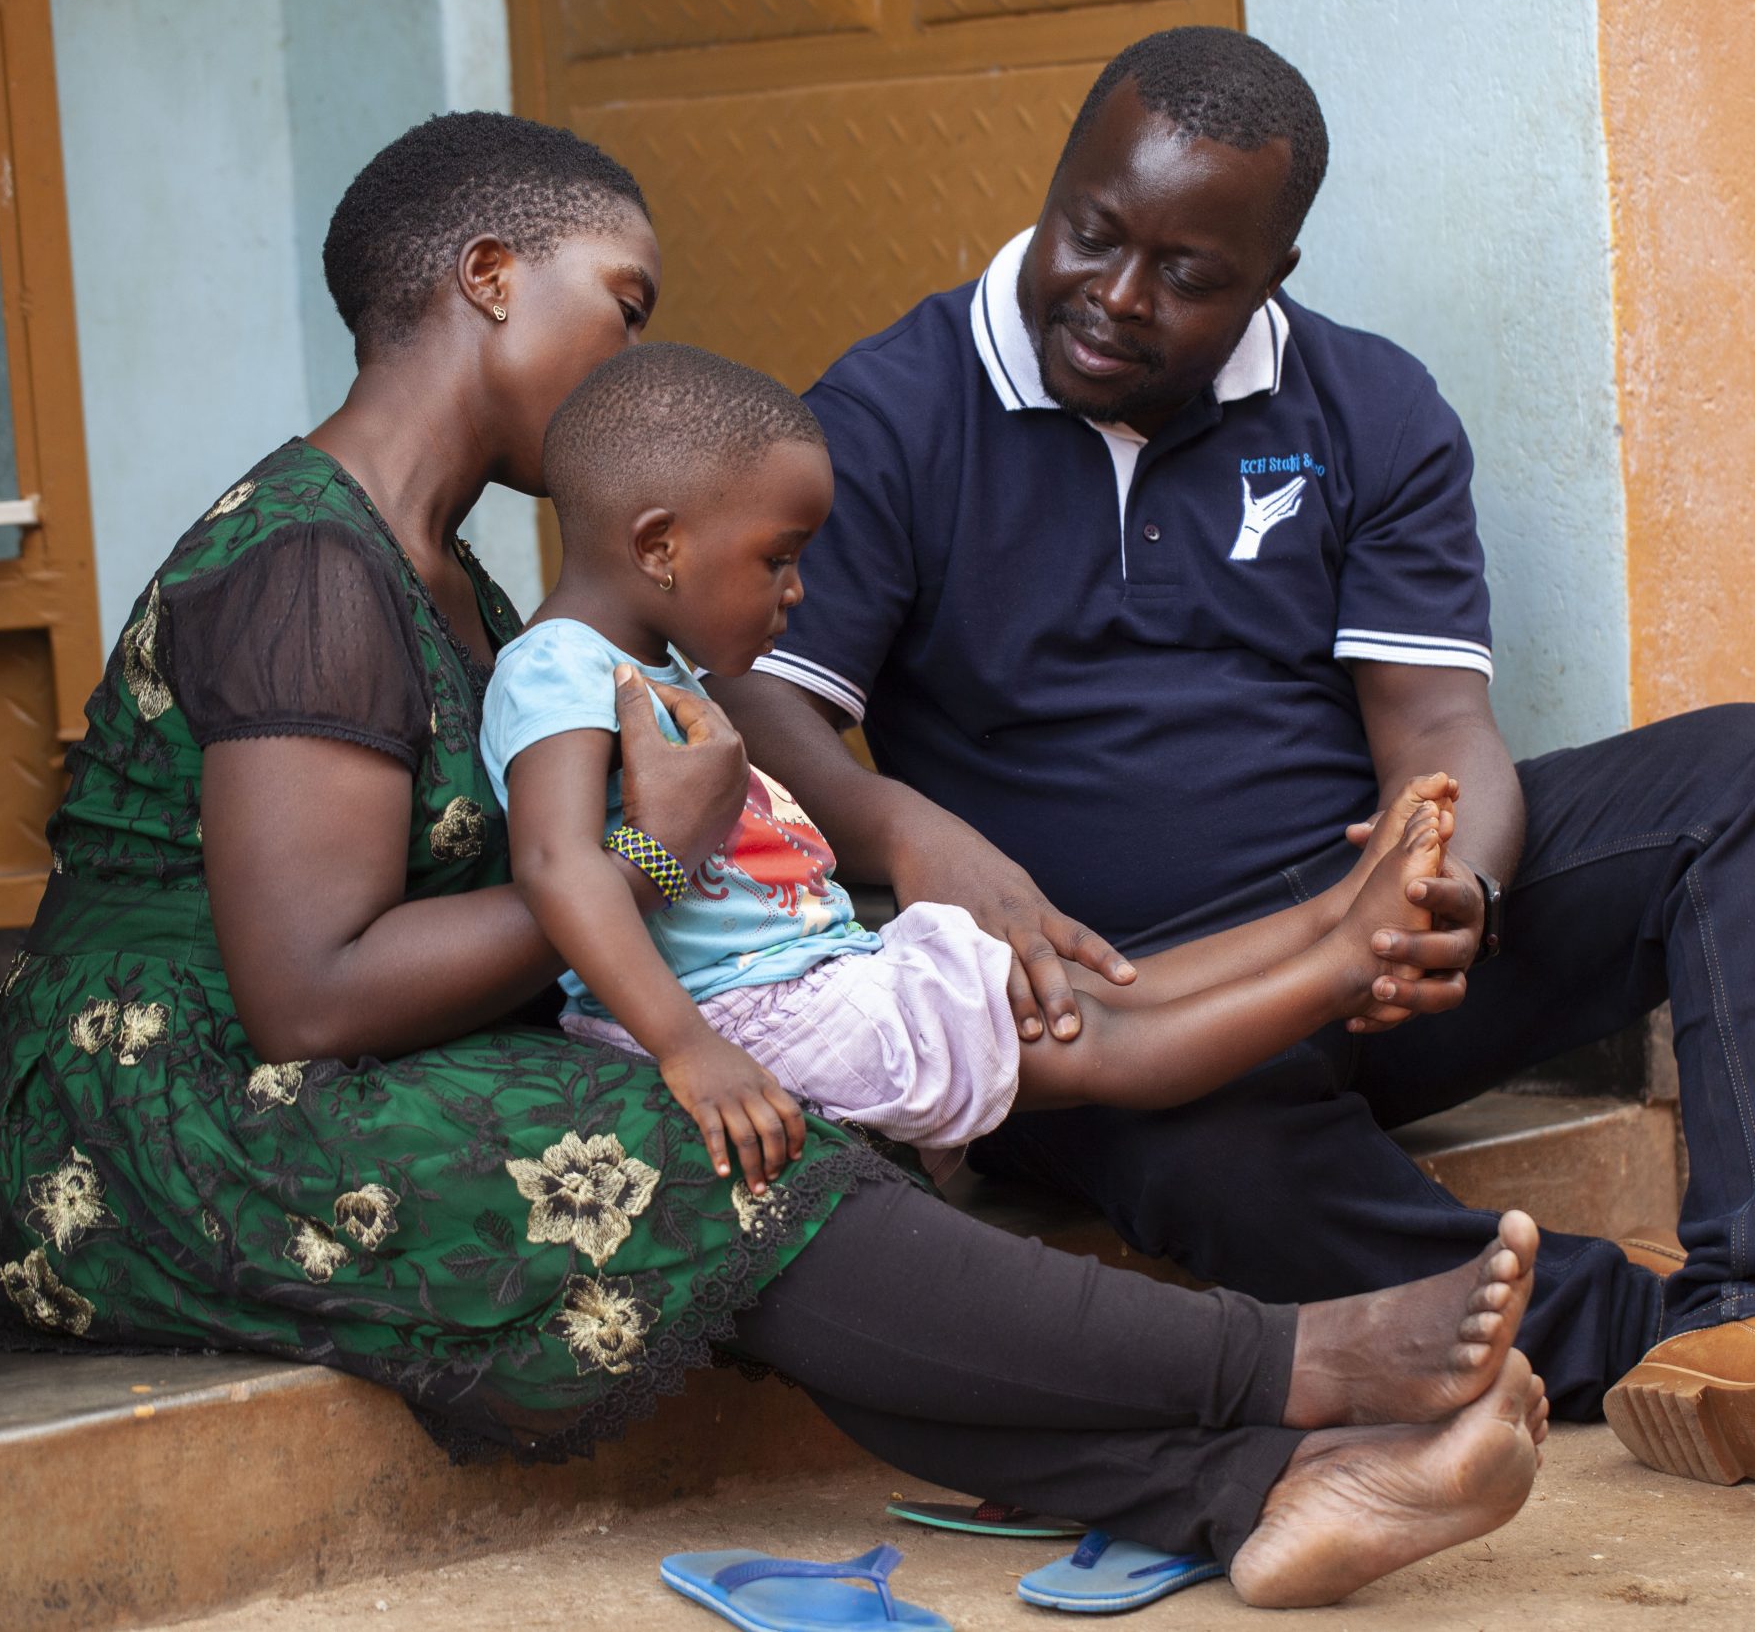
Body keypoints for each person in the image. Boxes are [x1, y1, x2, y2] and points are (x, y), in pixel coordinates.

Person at [0, 112, 1564, 1608]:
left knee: (765, 1110)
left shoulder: (454, 577)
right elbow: (309, 993)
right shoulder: (307, 566)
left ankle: (1266, 1487)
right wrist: (657, 852)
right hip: (152, 1112)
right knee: (692, 1148)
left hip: (329, 1056)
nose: (636, 361)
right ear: (492, 274)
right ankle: (1301, 1364)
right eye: (621, 305)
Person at [711, 28, 1755, 1504]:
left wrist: (1459, 888)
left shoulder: (1367, 406)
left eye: (1188, 273)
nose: (1118, 296)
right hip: (1122, 1002)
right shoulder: (889, 413)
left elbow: (1441, 728)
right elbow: (755, 699)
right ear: (1057, 184)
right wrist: (906, 830)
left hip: (1363, 934)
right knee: (1199, 1167)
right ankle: (1670, 1336)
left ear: (1275, 272)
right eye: (1095, 233)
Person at [480, 341, 1458, 1194]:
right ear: (660, 546)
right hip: (743, 1014)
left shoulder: (651, 665)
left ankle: (1335, 911)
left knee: (1085, 997)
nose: (798, 591)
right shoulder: (558, 668)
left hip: (803, 981)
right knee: (1097, 1044)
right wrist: (689, 1047)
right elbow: (558, 869)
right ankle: (1344, 967)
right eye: (778, 559)